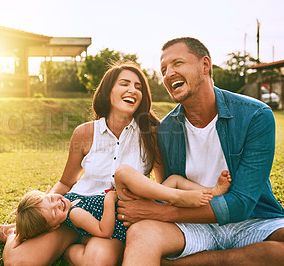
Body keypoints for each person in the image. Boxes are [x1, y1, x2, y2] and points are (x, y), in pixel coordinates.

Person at [116, 37, 284, 265]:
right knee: (142, 234)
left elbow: (241, 204)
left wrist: (160, 213)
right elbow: (167, 189)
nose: (168, 74)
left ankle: (192, 262)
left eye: (177, 63)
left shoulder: (255, 115)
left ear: (205, 65)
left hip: (254, 220)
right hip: (192, 223)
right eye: (164, 69)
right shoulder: (166, 130)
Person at [0, 60, 163, 265]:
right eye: (125, 83)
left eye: (138, 87)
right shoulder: (84, 133)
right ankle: (13, 232)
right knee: (19, 262)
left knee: (98, 261)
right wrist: (43, 212)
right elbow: (66, 183)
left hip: (113, 222)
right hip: (74, 212)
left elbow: (161, 186)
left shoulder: (151, 133)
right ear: (108, 91)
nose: (132, 90)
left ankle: (69, 249)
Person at [13, 170, 231, 245]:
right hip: (132, 217)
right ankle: (185, 197)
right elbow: (103, 231)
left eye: (50, 199)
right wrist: (109, 200)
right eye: (53, 212)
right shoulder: (74, 213)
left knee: (173, 178)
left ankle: (210, 192)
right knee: (124, 173)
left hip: (133, 207)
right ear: (53, 227)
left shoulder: (69, 199)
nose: (57, 203)